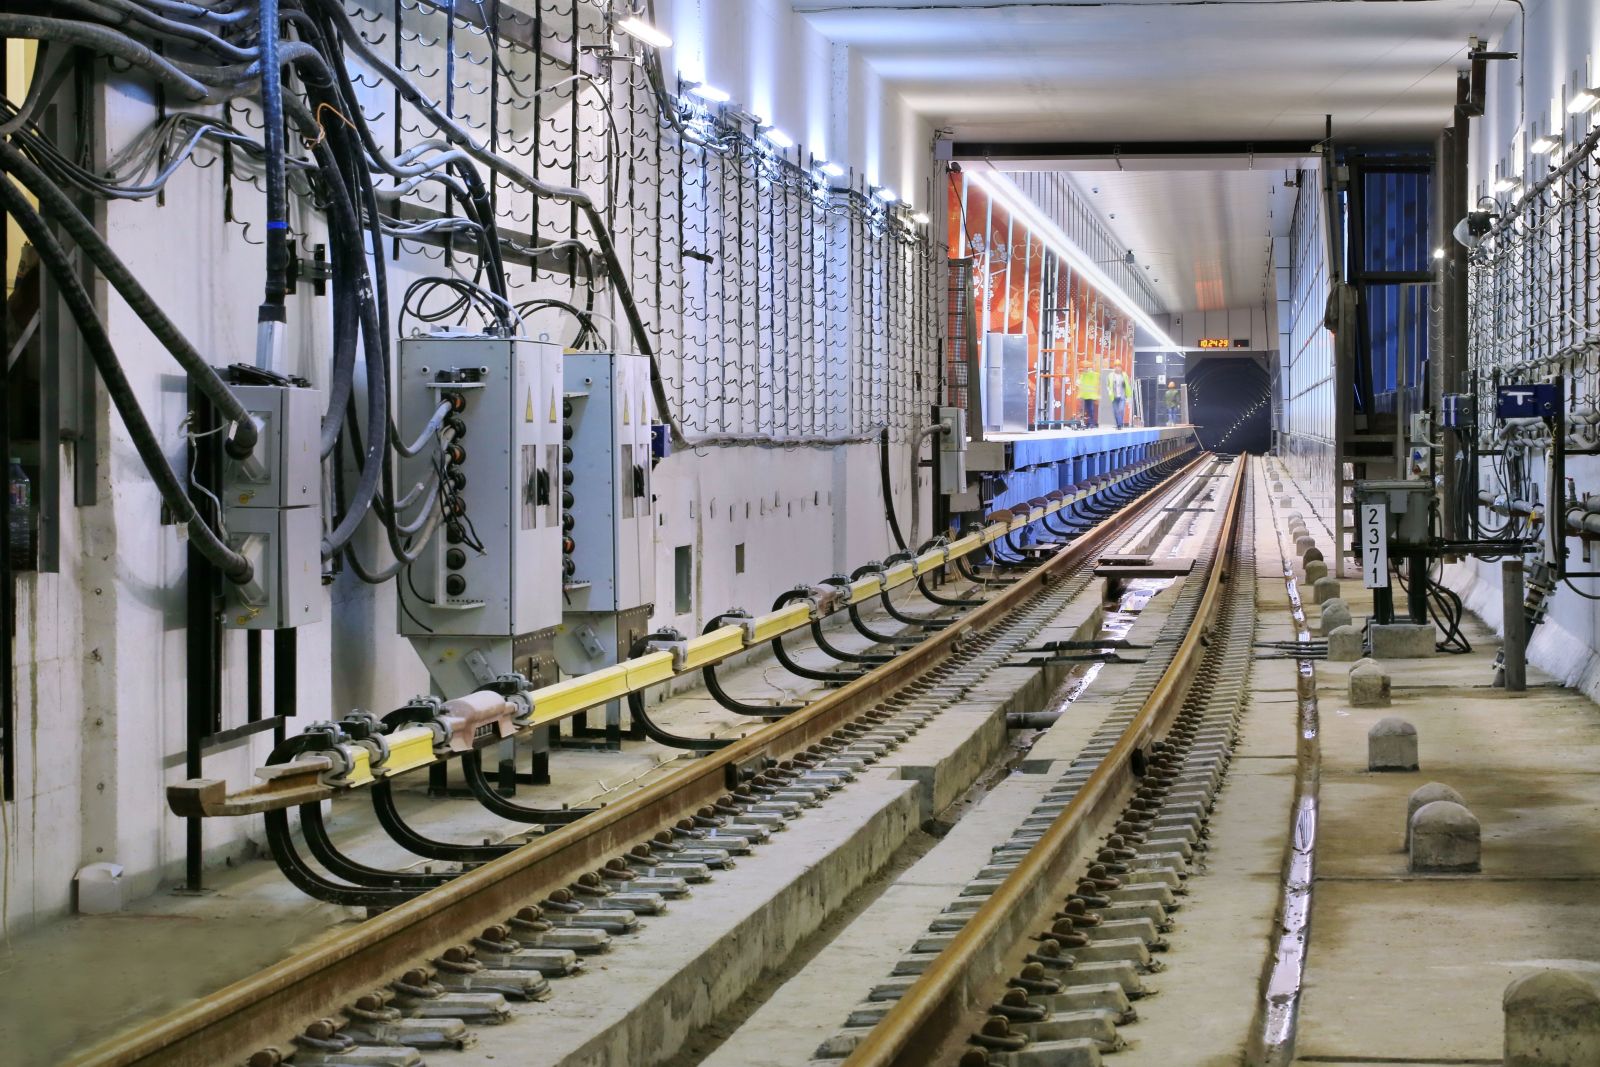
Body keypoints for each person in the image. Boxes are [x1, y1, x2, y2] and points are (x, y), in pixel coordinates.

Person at [1076, 362, 1101, 428]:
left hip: (1090, 396)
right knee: (1087, 410)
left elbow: (1097, 376)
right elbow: (1081, 385)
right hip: (1085, 395)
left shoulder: (1092, 374)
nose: (1083, 369)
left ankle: (1091, 423)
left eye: (1084, 368)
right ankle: (1088, 423)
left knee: (1091, 410)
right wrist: (1079, 395)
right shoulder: (1083, 375)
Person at [1108, 365, 1129, 429]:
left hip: (1122, 396)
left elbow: (1127, 384)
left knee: (1121, 410)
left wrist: (1127, 396)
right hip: (1114, 396)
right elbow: (1108, 385)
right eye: (1116, 366)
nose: (1117, 368)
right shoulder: (1111, 376)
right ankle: (1118, 424)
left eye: (1119, 367)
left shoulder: (1124, 375)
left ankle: (1120, 424)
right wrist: (1110, 392)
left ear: (1121, 368)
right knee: (1115, 411)